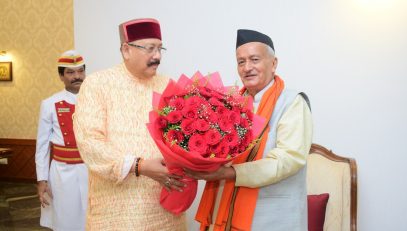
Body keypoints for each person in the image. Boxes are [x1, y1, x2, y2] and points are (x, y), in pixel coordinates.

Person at [187, 29, 313, 231]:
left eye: (254, 59)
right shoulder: (229, 104)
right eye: (241, 61)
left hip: (274, 217)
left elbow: (288, 159)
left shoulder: (293, 102)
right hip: (229, 211)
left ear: (273, 64)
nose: (247, 68)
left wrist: (230, 173)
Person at [73, 18, 186, 230]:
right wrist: (139, 166)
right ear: (126, 50)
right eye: (150, 49)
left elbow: (183, 139)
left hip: (165, 208)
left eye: (160, 48)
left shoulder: (168, 85)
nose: (158, 56)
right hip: (117, 211)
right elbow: (89, 144)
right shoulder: (98, 84)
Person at [35, 50, 88, 230]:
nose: (77, 76)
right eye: (70, 72)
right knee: (65, 220)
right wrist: (41, 180)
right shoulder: (49, 103)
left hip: (91, 170)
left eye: (80, 71)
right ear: (61, 76)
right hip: (62, 173)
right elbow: (42, 146)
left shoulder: (95, 100)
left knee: (92, 219)